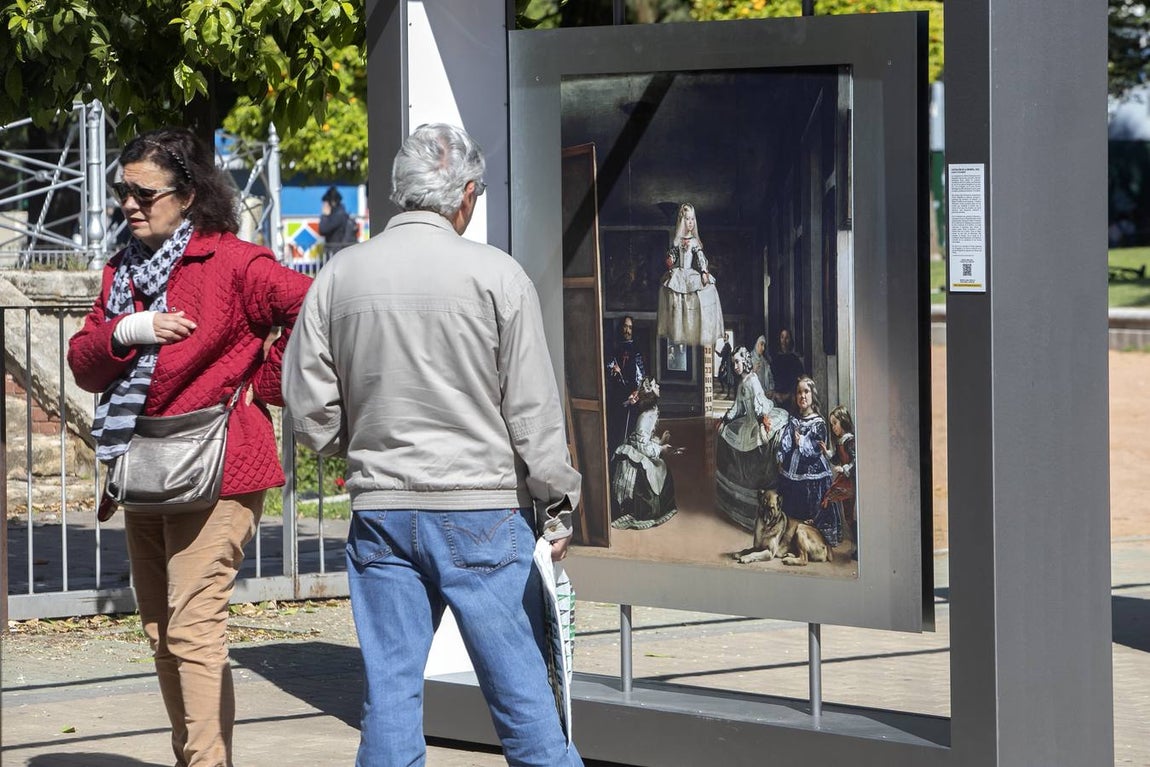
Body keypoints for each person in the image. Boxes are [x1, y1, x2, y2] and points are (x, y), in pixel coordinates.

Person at [282, 123, 584, 767]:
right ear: (466, 195)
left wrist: (355, 445)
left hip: (382, 510)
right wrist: (558, 506)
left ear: (400, 192)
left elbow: (307, 406)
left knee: (389, 699)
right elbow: (533, 411)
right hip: (484, 513)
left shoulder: (340, 275)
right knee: (524, 703)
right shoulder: (499, 277)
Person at [67, 127, 311, 767]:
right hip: (144, 465)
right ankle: (194, 756)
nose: (129, 203)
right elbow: (85, 365)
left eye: (145, 192)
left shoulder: (233, 262)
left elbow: (313, 303)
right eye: (123, 190)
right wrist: (128, 328)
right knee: (159, 631)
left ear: (191, 194)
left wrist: (264, 379)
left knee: (192, 627)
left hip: (220, 466)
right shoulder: (123, 270)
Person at [776, 376, 842, 547]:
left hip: (813, 472)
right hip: (792, 470)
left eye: (806, 392)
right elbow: (786, 441)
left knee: (812, 512)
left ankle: (814, 539)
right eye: (799, 392)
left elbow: (815, 450)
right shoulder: (793, 419)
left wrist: (802, 442)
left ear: (812, 395)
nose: (802, 396)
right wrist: (781, 454)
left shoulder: (818, 422)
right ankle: (791, 537)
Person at [610, 377, 679, 530]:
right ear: (650, 393)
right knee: (656, 470)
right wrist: (661, 449)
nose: (658, 386)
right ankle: (642, 512)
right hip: (636, 453)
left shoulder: (652, 410)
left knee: (661, 468)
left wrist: (660, 441)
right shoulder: (647, 415)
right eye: (655, 385)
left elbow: (645, 439)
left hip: (641, 446)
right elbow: (641, 444)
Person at [656, 203, 724, 347]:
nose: (690, 222)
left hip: (690, 274)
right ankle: (679, 328)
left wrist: (704, 272)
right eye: (687, 219)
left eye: (692, 219)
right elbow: (673, 255)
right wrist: (670, 260)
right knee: (673, 294)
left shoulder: (694, 242)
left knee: (705, 290)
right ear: (682, 221)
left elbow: (700, 257)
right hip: (679, 272)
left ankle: (694, 325)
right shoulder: (678, 241)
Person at [605, 314, 644, 455]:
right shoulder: (615, 348)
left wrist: (637, 392)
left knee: (628, 435)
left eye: (630, 328)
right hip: (616, 398)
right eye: (625, 326)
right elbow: (608, 366)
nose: (627, 330)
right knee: (615, 433)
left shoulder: (636, 350)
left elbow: (641, 376)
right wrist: (613, 369)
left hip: (631, 398)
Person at [769, 327, 804, 409]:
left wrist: (789, 395)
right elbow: (771, 379)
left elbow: (799, 380)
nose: (784, 341)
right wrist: (776, 394)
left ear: (790, 340)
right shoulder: (775, 360)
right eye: (782, 337)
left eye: (787, 338)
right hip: (776, 398)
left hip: (791, 398)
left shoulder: (795, 359)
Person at [318, 185, 357, 256]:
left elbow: (323, 229)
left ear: (332, 202)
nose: (324, 206)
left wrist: (325, 215)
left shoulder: (337, 216)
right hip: (339, 254)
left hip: (337, 254)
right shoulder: (342, 214)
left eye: (326, 203)